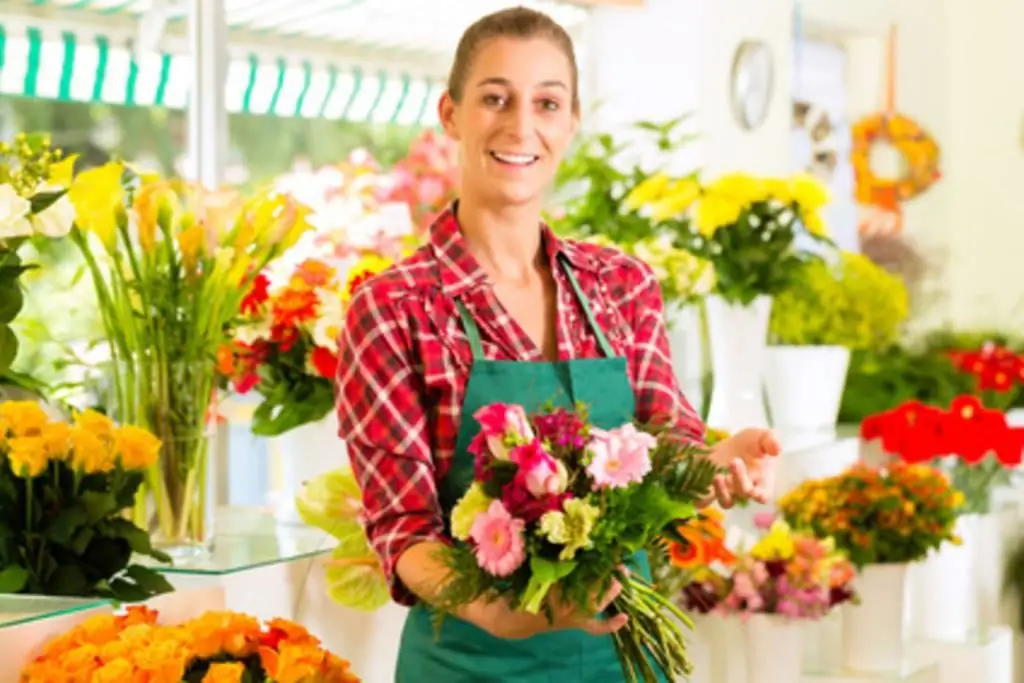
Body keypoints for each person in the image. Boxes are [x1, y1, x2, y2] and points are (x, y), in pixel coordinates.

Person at [335, 7, 780, 682]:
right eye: (495, 98)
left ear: (571, 122)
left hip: (625, 659)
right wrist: (505, 614)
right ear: (451, 114)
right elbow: (404, 532)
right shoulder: (395, 309)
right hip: (469, 660)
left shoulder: (621, 285)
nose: (521, 126)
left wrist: (717, 461)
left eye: (547, 102)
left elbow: (668, 446)